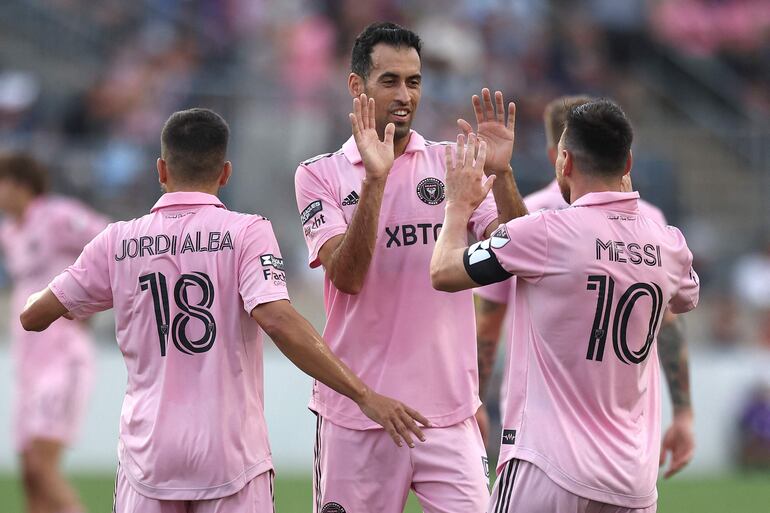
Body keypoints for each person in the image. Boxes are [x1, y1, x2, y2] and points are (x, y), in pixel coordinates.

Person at [20, 108, 429, 513]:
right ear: (225, 173)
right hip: (231, 455)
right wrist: (362, 394)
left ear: (161, 170)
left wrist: (55, 299)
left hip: (147, 456)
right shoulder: (247, 232)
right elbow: (278, 320)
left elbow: (34, 315)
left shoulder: (117, 242)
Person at [294, 21, 526, 513]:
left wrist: (502, 175)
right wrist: (376, 181)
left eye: (414, 82)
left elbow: (521, 250)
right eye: (390, 80)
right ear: (357, 85)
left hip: (446, 415)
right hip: (360, 413)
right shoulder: (320, 174)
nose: (405, 95)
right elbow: (348, 277)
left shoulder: (451, 164)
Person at [431, 99, 699, 512]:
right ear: (627, 162)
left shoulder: (547, 231)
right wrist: (503, 174)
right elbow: (682, 301)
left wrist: (456, 206)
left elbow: (444, 272)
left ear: (564, 161)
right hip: (632, 482)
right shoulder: (670, 243)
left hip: (547, 467)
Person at [0, 152, 108, 513]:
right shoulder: (11, 233)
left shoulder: (57, 216)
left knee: (42, 467)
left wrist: (91, 301)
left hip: (62, 359)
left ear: (17, 184)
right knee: (30, 476)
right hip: (28, 366)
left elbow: (113, 241)